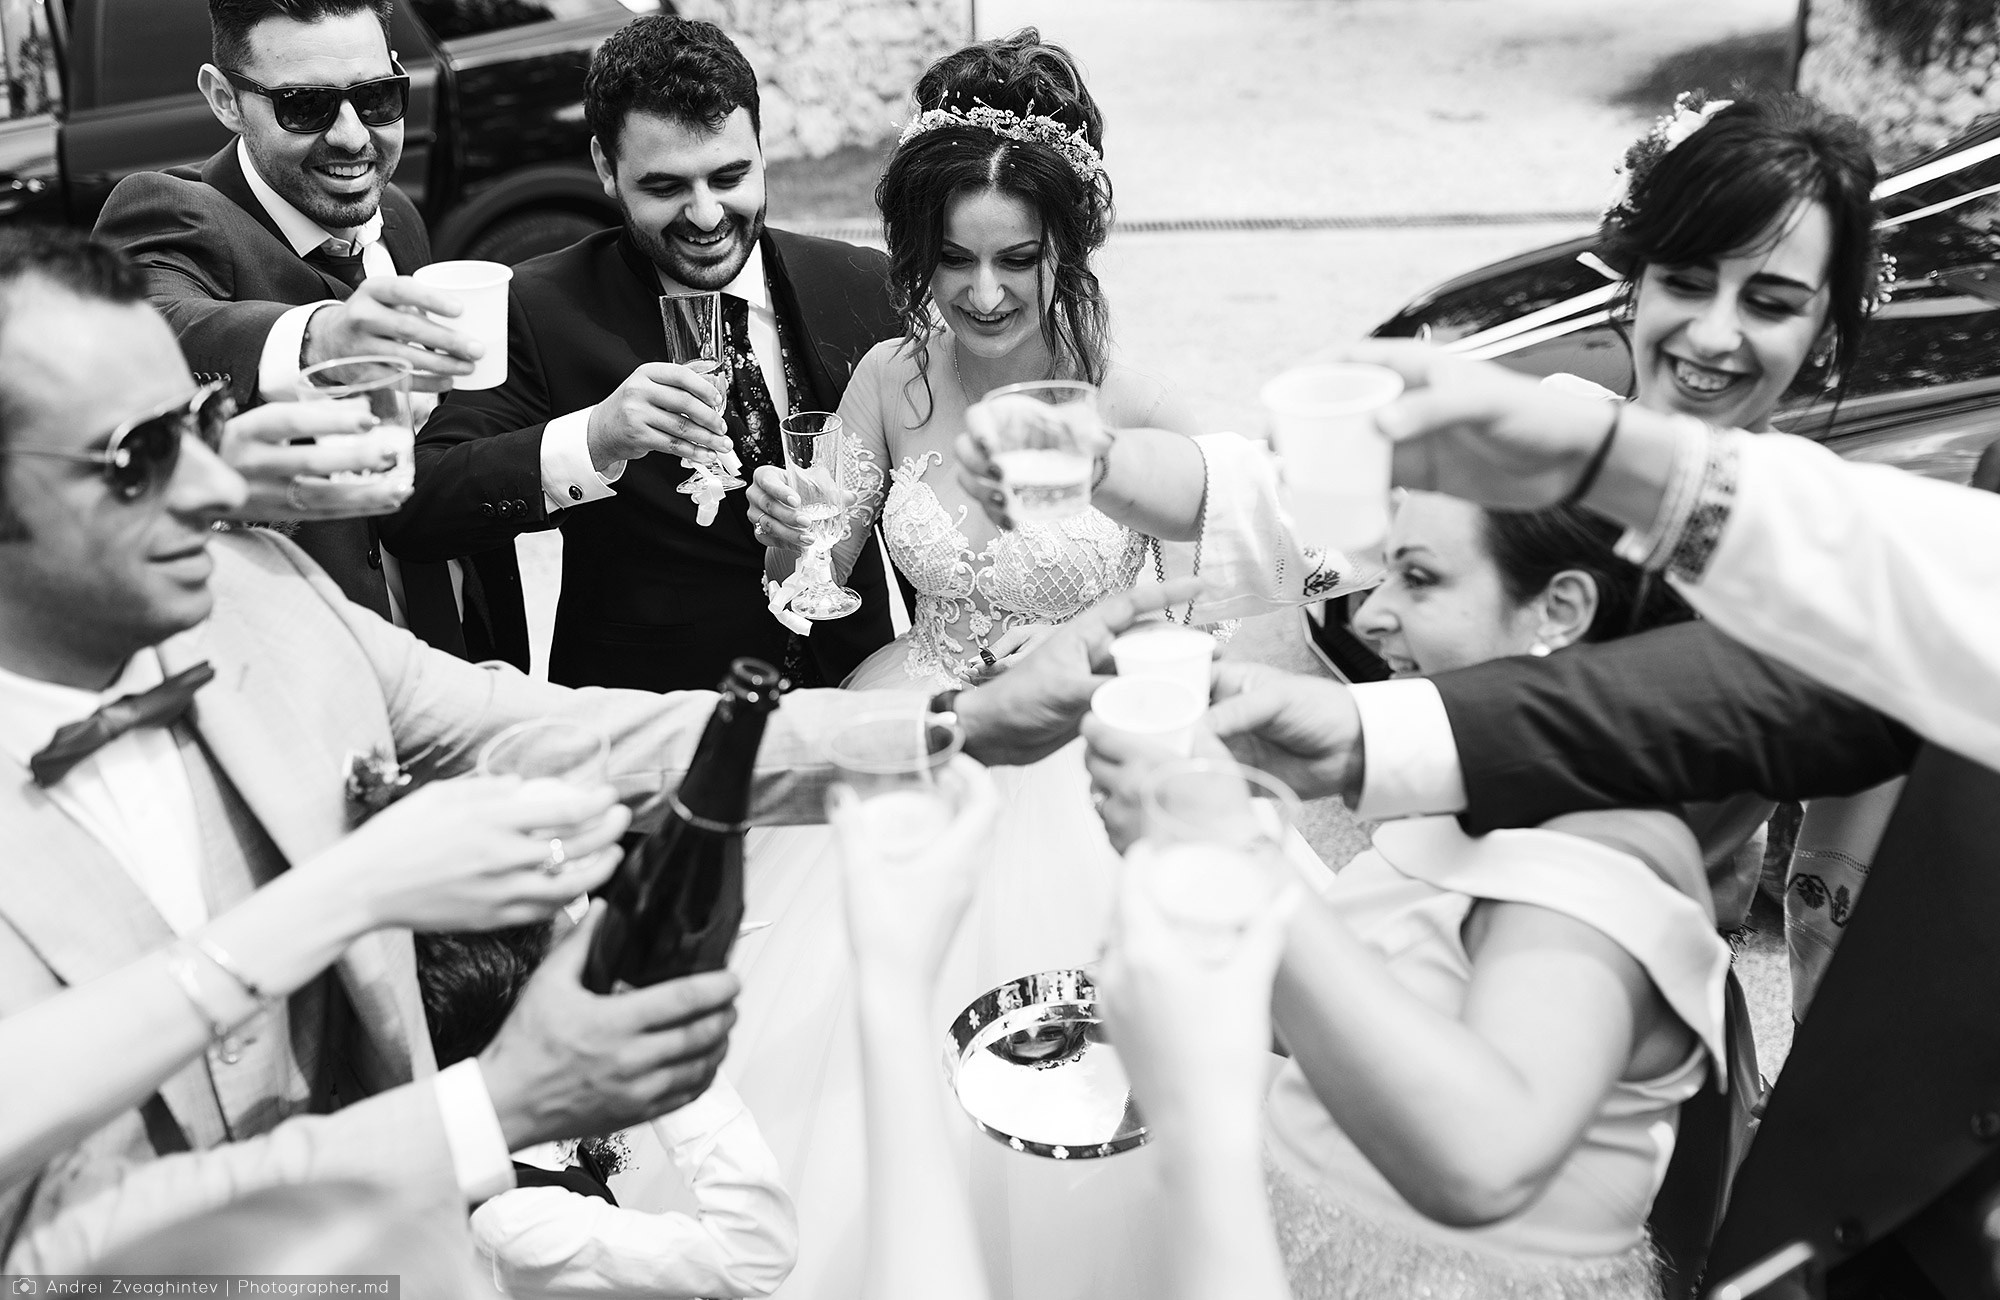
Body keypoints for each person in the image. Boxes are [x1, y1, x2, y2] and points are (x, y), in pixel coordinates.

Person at [0, 225, 1179, 1269]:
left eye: (202, 425)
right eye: (135, 458)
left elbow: (564, 731)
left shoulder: (262, 597)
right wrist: (493, 1103)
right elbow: (49, 1255)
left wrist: (949, 726)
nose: (218, 484)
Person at [721, 33, 1361, 1300]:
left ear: (1062, 248)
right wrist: (786, 537)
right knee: (859, 1053)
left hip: (1096, 759)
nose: (985, 293)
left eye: (1016, 259)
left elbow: (1239, 565)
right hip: (931, 724)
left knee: (1104, 1081)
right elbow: (814, 584)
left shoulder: (1119, 389)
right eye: (954, 260)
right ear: (916, 252)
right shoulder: (888, 383)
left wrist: (1106, 633)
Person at [1181, 336, 2000, 1297]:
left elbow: (1478, 1154)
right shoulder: (1454, 804)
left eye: (1423, 576)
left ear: (1561, 609)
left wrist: (1246, 863)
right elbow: (1834, 675)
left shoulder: (1593, 866)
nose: (1369, 616)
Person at [380, 16, 900, 693]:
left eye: (730, 176)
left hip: (853, 705)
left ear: (762, 151)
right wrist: (592, 439)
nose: (708, 215)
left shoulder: (860, 283)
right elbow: (417, 505)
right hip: (650, 729)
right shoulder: (541, 309)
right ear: (604, 167)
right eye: (666, 187)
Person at [93, 0, 514, 665]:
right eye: (305, 106)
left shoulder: (397, 217)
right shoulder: (172, 210)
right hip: (297, 684)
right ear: (226, 100)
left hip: (451, 662)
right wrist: (319, 337)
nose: (353, 137)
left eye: (378, 98)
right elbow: (147, 328)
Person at [414, 924, 798, 1300]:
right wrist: (667, 1049)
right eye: (578, 979)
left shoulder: (530, 1137)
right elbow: (754, 1253)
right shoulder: (515, 1223)